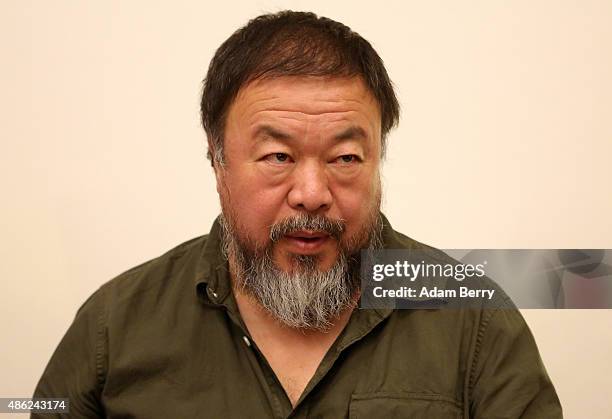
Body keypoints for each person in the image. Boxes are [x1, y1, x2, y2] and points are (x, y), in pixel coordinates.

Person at [33, 11, 562, 418]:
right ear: (217, 161)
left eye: (345, 158)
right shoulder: (113, 328)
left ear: (379, 160)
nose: (311, 193)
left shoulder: (474, 319)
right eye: (277, 156)